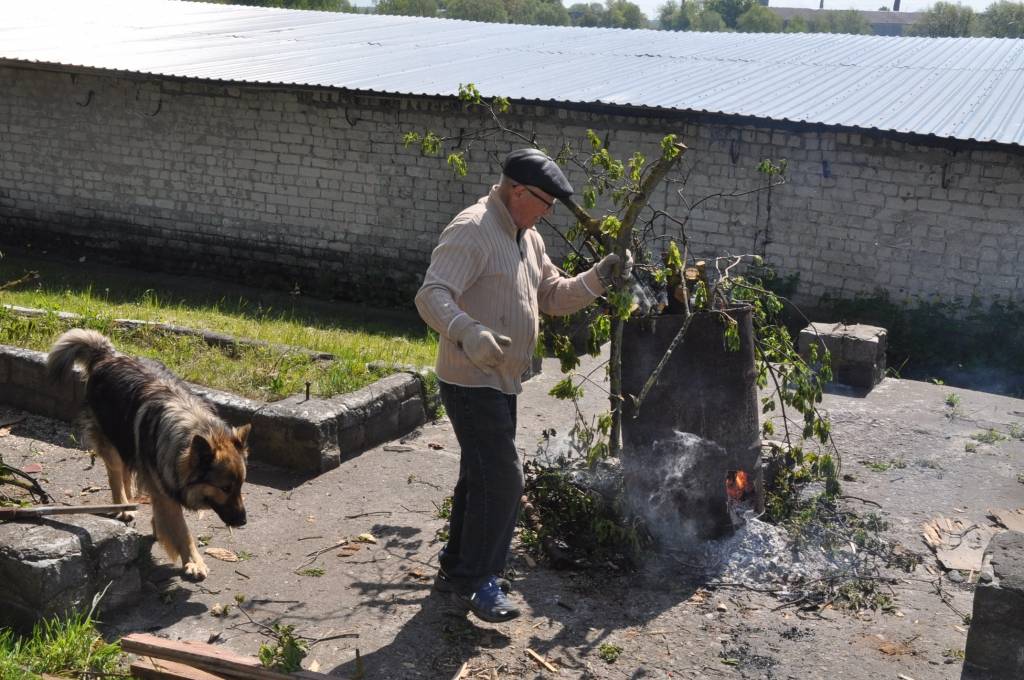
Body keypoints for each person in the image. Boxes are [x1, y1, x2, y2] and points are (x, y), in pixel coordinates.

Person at [414, 148, 631, 623]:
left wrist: (598, 278)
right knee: (505, 478)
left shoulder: (526, 237)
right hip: (470, 379)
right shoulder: (472, 229)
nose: (550, 211)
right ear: (517, 191)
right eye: (545, 201)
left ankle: (457, 565)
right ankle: (480, 581)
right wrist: (469, 331)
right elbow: (431, 294)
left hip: (504, 380)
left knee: (481, 476)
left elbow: (551, 296)